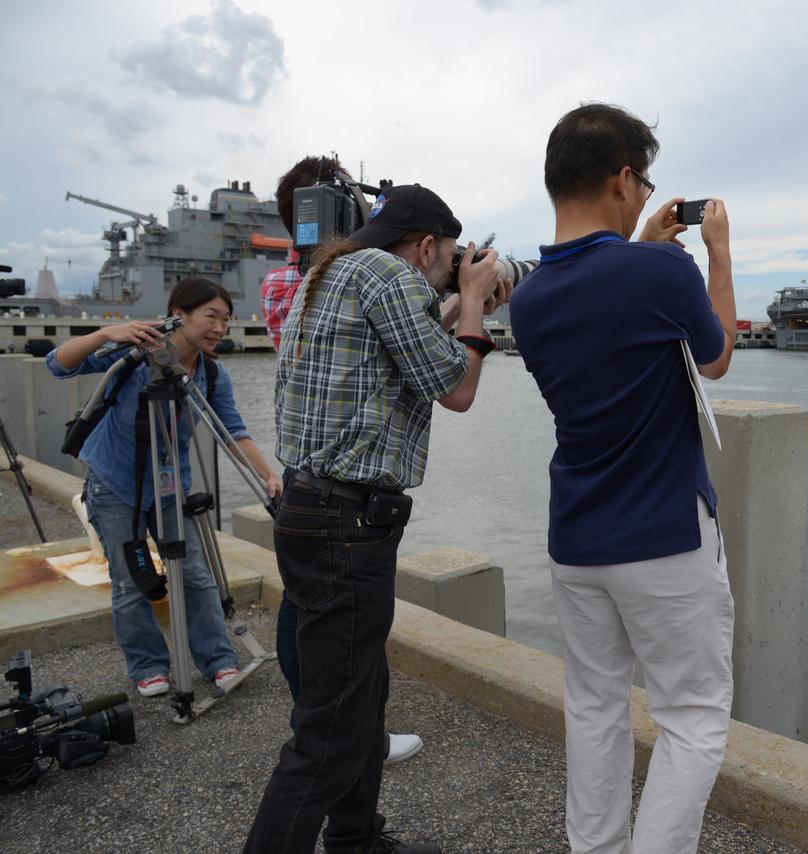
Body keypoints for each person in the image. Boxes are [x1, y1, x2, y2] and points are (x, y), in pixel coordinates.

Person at [244, 183, 510, 854]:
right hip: (347, 523)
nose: (453, 267)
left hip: (309, 509)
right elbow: (456, 389)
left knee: (360, 697)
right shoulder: (390, 274)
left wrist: (457, 306)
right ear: (425, 245)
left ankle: (358, 839)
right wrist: (475, 302)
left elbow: (407, 354)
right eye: (451, 257)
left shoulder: (327, 271)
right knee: (332, 729)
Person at [509, 103, 738, 854]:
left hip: (577, 538)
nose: (645, 194)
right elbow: (715, 357)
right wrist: (719, 253)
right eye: (641, 180)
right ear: (619, 176)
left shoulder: (532, 297)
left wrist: (646, 247)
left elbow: (607, 304)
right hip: (664, 534)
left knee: (595, 707)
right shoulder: (663, 269)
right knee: (694, 717)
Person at [46, 276, 284, 697]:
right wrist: (106, 333)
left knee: (195, 573)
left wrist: (268, 475)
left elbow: (233, 431)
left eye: (225, 320)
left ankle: (218, 659)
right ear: (179, 314)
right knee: (128, 579)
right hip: (114, 482)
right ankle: (148, 667)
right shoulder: (136, 353)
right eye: (211, 316)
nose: (219, 328)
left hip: (171, 486)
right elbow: (58, 364)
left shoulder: (211, 373)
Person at [261, 154, 423, 767]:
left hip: (302, 477)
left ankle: (326, 724)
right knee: (329, 618)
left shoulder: (293, 280)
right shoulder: (323, 280)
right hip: (341, 486)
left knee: (306, 605)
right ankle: (330, 729)